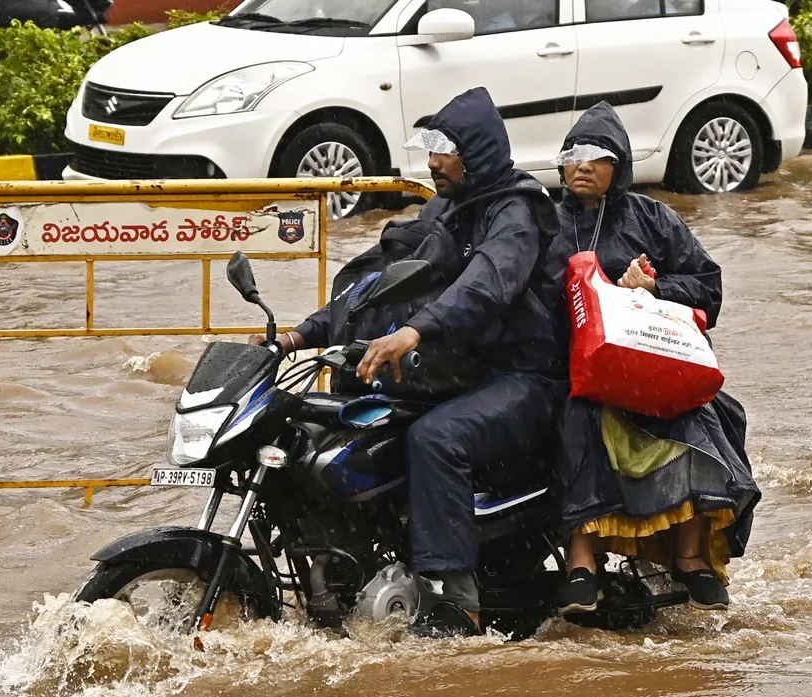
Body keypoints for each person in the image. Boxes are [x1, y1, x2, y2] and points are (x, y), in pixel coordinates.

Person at [257, 87, 567, 638]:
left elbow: (486, 286)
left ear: (476, 152)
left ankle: (456, 600)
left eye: (445, 148)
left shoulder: (516, 211)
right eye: (431, 147)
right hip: (456, 370)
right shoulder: (442, 208)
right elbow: (382, 284)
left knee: (435, 438)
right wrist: (301, 333)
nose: (432, 161)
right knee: (322, 425)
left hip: (523, 377)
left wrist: (413, 332)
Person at [550, 102, 761, 615]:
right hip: (572, 371)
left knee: (704, 422)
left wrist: (656, 287)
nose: (582, 166)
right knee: (573, 421)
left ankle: (690, 559)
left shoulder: (653, 218)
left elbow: (708, 287)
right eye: (573, 155)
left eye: (597, 157)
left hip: (651, 371)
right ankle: (582, 562)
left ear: (618, 167)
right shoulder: (541, 221)